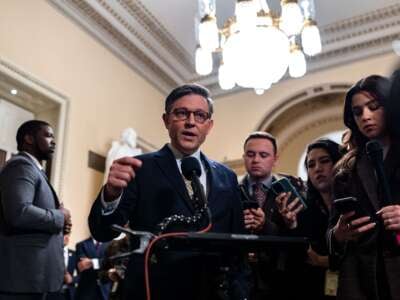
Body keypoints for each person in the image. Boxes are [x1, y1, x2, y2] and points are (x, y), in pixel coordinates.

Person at [89, 84, 247, 300]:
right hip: (153, 288)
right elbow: (102, 232)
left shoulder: (227, 176)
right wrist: (111, 194)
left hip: (211, 290)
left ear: (209, 126)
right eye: (182, 113)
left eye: (200, 115)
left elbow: (236, 244)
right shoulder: (140, 167)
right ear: (166, 120)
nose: (191, 121)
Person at [328, 75, 400, 300]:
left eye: (374, 107)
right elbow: (330, 233)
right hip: (363, 280)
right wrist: (338, 234)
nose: (366, 116)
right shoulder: (344, 170)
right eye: (358, 112)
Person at [0, 120, 71, 299]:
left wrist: (61, 228)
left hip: (33, 278)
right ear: (29, 139)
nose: (53, 141)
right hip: (21, 279)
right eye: (48, 135)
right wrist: (60, 217)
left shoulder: (35, 170)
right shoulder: (21, 165)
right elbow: (19, 213)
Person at [239, 131, 305, 300]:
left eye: (263, 155)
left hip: (279, 281)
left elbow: (300, 240)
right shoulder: (230, 189)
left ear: (275, 159)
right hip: (240, 279)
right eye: (250, 154)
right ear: (243, 156)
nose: (256, 160)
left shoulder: (292, 191)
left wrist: (266, 225)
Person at [279, 139, 343, 300]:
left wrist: (325, 261)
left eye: (325, 161)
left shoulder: (355, 201)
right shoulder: (303, 209)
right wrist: (292, 225)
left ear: (339, 163)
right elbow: (296, 261)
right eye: (311, 165)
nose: (318, 169)